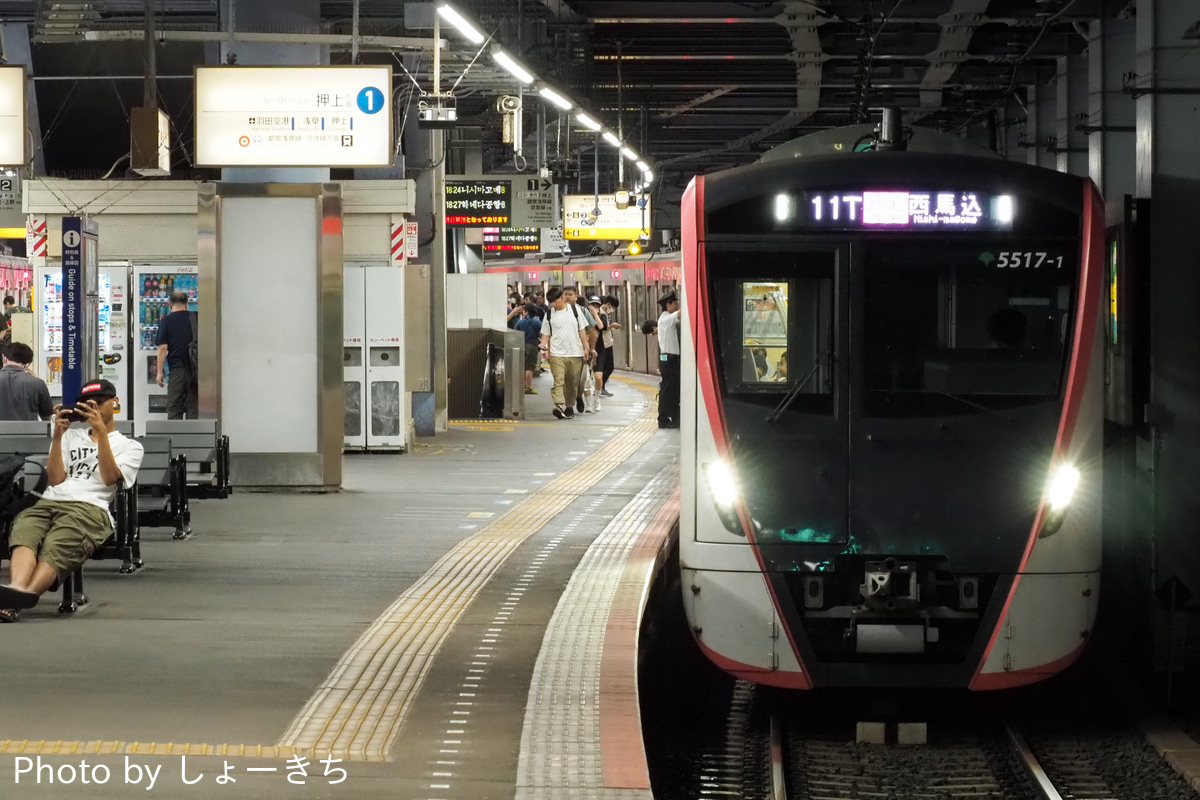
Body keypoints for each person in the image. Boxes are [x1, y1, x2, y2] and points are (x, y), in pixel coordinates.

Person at [0, 379, 144, 621]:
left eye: (99, 403)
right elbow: (55, 480)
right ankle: (17, 589)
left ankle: (19, 600)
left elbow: (109, 478)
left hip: (90, 508)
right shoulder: (70, 438)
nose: (94, 409)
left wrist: (101, 434)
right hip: (51, 499)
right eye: (87, 405)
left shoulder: (130, 446)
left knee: (59, 544)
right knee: (24, 530)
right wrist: (57, 437)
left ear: (115, 402)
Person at [538, 286, 589, 420]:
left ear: (562, 298)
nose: (553, 305)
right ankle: (559, 405)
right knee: (558, 381)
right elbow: (546, 334)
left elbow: (582, 331)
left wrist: (587, 347)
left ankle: (569, 406)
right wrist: (543, 345)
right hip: (556, 354)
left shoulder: (575, 310)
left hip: (575, 352)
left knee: (572, 382)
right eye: (551, 303)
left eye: (555, 302)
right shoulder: (549, 315)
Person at [155, 291, 198, 419]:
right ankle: (194, 437)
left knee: (174, 406)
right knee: (194, 407)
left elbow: (162, 348)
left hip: (177, 369)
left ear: (170, 305)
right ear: (187, 304)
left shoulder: (166, 321)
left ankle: (175, 437)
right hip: (196, 369)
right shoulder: (196, 318)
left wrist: (159, 372)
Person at [562, 288, 598, 413]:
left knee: (581, 379)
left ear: (576, 296)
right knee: (566, 379)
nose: (567, 297)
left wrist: (592, 348)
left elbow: (592, 330)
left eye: (570, 294)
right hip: (563, 351)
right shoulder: (556, 311)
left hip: (580, 351)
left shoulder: (582, 311)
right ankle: (569, 406)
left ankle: (578, 396)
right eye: (565, 294)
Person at [0, 342, 53, 421]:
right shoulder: (38, 383)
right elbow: (47, 416)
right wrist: (36, 382)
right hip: (28, 432)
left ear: (4, 358)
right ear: (27, 364)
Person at [657, 289, 682, 428]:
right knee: (667, 391)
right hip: (669, 360)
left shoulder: (665, 319)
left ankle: (675, 418)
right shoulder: (666, 319)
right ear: (668, 304)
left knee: (672, 390)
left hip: (670, 359)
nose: (677, 305)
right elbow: (681, 312)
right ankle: (663, 419)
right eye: (675, 302)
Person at [508, 302, 543, 394]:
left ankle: (521, 386)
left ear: (526, 312)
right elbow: (541, 334)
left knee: (522, 366)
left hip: (521, 345)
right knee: (530, 367)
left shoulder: (520, 322)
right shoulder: (537, 322)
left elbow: (516, 334)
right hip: (533, 345)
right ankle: (528, 387)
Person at [599, 295, 621, 397]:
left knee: (608, 367)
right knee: (608, 367)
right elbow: (601, 330)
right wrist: (612, 326)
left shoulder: (606, 313)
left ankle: (601, 387)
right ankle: (600, 387)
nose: (612, 309)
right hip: (603, 344)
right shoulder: (600, 313)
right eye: (612, 307)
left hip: (608, 342)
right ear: (608, 304)